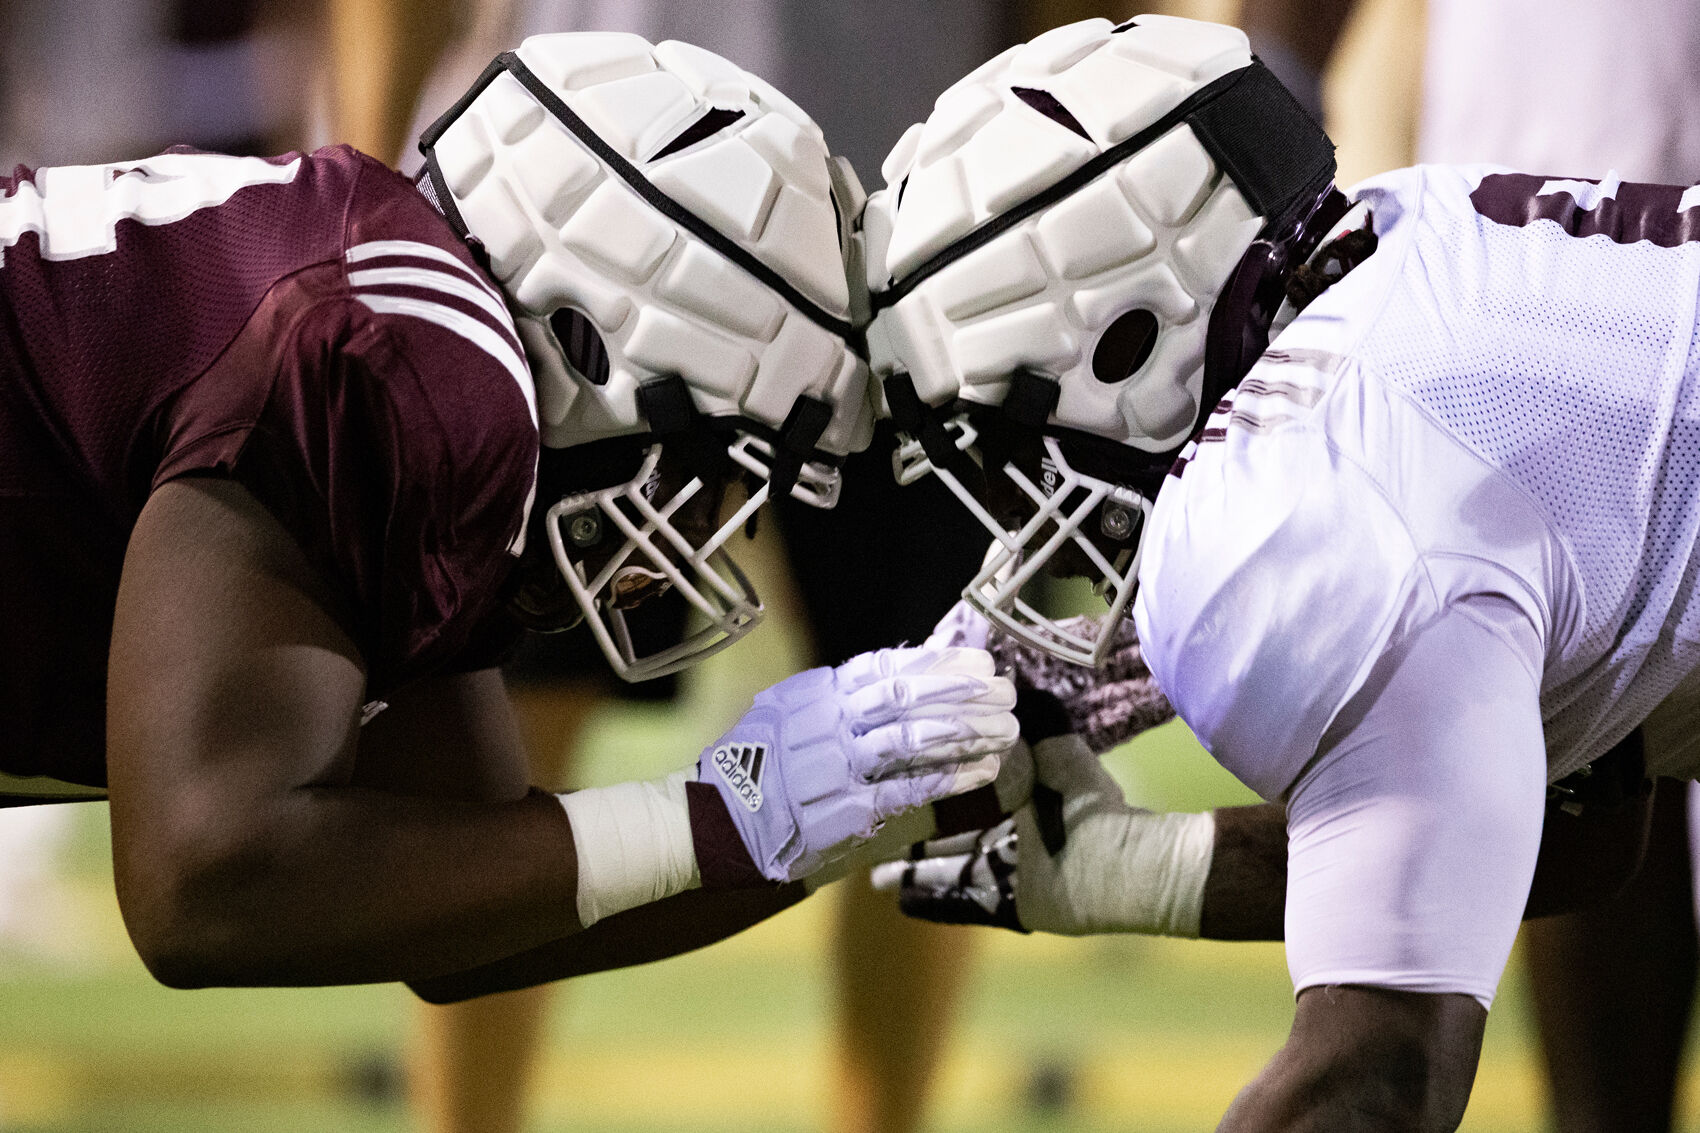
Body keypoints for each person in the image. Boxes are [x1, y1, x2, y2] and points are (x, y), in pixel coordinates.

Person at [0, 30, 1020, 997]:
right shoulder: (408, 360)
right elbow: (203, 881)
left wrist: (858, 807)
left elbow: (457, 912)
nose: (693, 516)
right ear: (585, 340)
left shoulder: (408, 332)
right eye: (705, 458)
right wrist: (727, 813)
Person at [859, 13, 1700, 1129]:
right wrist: (1131, 868)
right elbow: (1560, 840)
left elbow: (1376, 1072)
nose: (1021, 503)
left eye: (1010, 433)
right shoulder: (1415, 243)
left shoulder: (1302, 499)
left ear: (1124, 340)